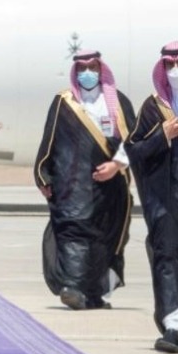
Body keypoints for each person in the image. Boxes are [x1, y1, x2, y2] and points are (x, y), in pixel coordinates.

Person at [34, 50, 135, 311]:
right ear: (75, 71)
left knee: (103, 239)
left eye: (92, 67)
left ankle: (93, 294)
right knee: (74, 232)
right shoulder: (64, 102)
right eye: (82, 68)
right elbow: (49, 141)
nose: (87, 73)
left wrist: (116, 165)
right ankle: (72, 288)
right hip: (71, 184)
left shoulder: (117, 102)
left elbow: (134, 141)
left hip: (109, 187)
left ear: (101, 69)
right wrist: (42, 175)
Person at [124, 42, 178, 352]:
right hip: (166, 200)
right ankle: (173, 327)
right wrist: (163, 135)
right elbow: (134, 150)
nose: (175, 71)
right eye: (169, 65)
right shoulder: (153, 108)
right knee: (166, 258)